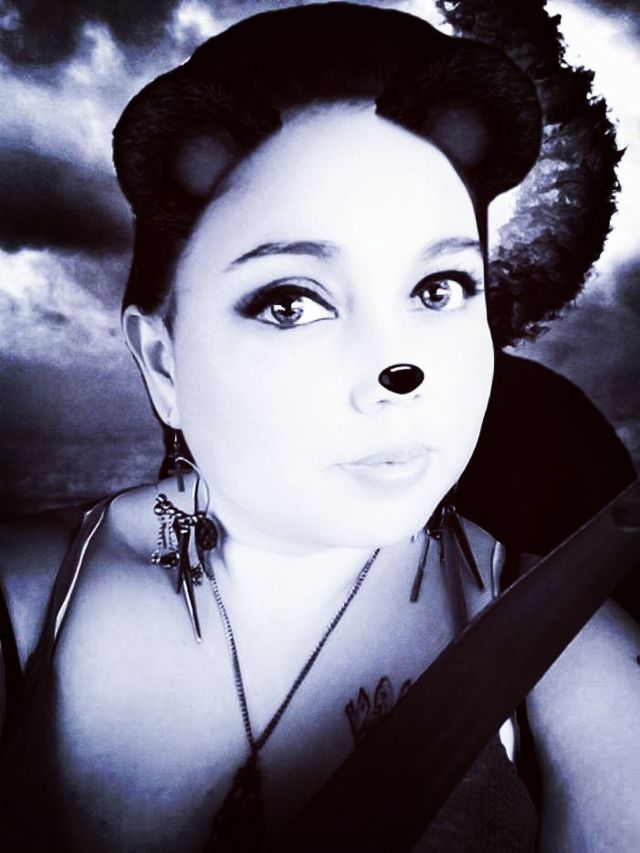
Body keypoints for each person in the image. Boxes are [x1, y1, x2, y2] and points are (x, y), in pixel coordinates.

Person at [0, 4, 638, 851]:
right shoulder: (25, 600)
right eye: (291, 302)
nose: (398, 366)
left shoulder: (574, 662)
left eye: (440, 288)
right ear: (162, 362)